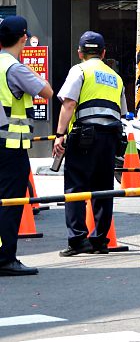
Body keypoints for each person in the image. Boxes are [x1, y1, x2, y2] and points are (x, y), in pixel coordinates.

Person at [53, 31, 127, 256]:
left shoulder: (79, 70)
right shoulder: (115, 77)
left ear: (80, 53)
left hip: (85, 136)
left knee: (75, 187)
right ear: (103, 53)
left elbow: (68, 104)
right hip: (110, 137)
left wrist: (59, 134)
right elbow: (122, 112)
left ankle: (77, 240)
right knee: (103, 189)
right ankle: (100, 241)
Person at [0, 16, 54, 276]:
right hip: (9, 145)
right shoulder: (15, 67)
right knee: (11, 201)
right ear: (23, 38)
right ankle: (5, 258)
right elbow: (47, 91)